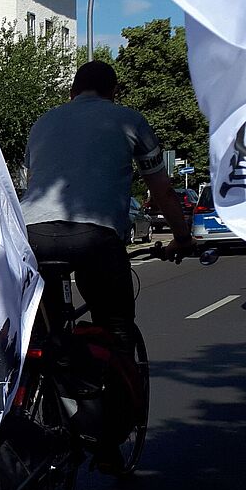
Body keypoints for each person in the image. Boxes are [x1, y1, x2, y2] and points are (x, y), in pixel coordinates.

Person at [22, 60, 195, 350]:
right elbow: (162, 189)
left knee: (43, 330)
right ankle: (115, 387)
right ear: (113, 91)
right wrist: (182, 237)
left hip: (32, 235)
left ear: (70, 92)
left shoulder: (42, 122)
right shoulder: (129, 120)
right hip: (95, 237)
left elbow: (32, 179)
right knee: (115, 326)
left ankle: (37, 384)